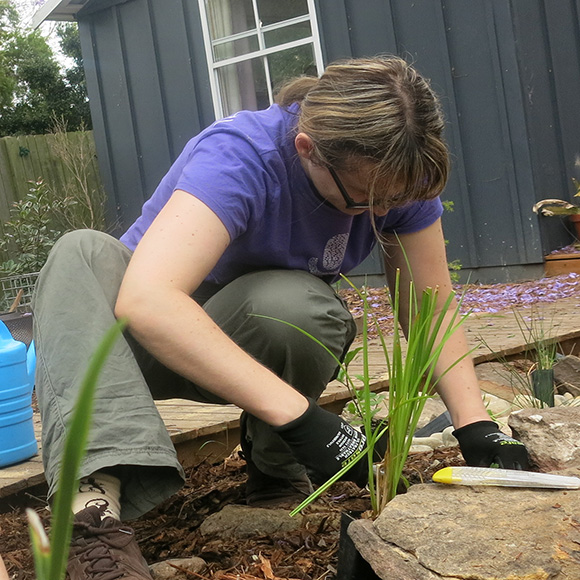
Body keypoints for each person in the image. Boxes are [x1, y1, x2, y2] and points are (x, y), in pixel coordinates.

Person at [32, 55, 530, 579]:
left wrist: (476, 425)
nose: (383, 213)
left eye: (396, 198)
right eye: (363, 200)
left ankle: (276, 475)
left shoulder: (390, 176)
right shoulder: (240, 155)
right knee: (80, 251)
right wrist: (302, 416)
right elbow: (148, 302)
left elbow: (430, 308)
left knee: (300, 306)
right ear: (306, 149)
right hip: (127, 353)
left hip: (241, 337)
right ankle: (91, 519)